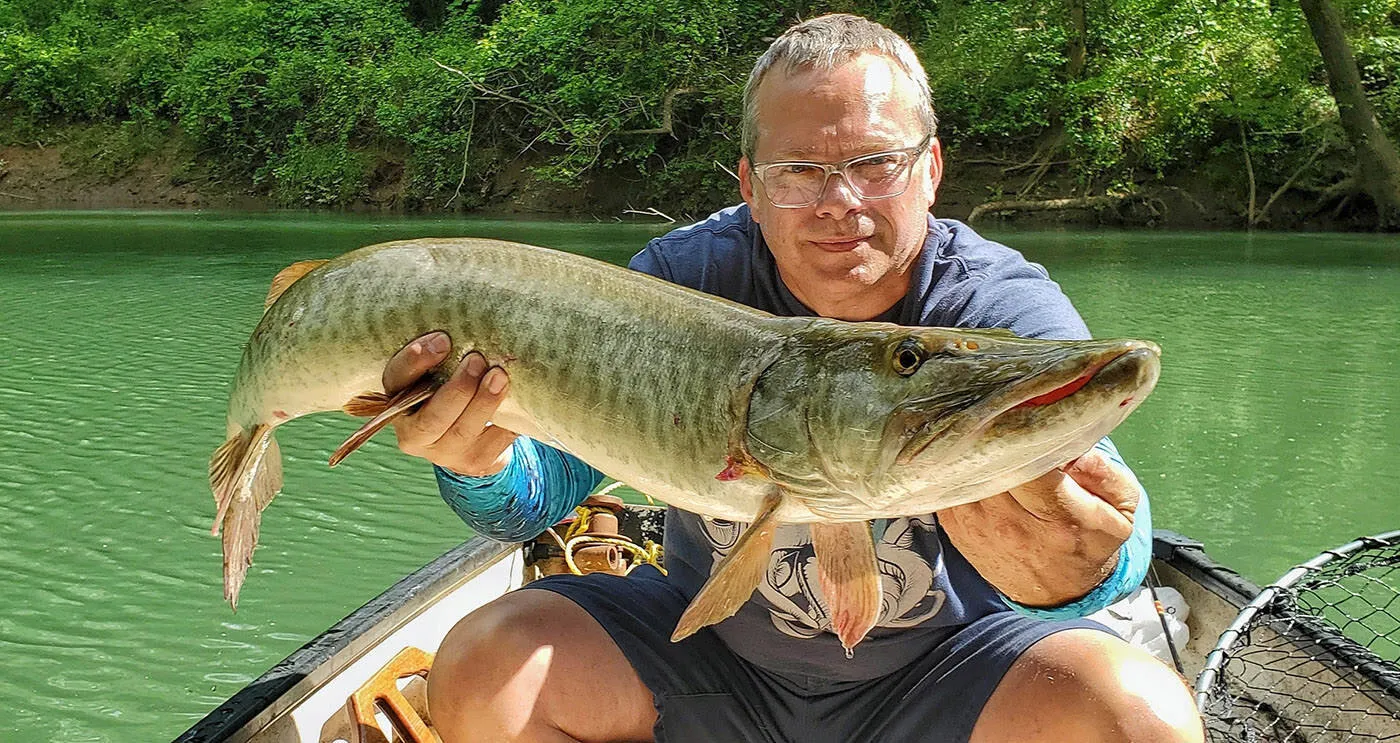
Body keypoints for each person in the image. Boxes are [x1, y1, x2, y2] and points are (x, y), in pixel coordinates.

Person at [384, 14, 1203, 743]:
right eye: (799, 172)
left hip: (950, 669)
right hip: (712, 658)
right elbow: (542, 494)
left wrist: (1093, 570)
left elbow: (1112, 526)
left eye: (876, 162)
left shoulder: (995, 307)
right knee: (489, 668)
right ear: (749, 184)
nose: (839, 202)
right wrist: (477, 463)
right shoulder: (680, 284)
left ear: (931, 168)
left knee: (1141, 718)